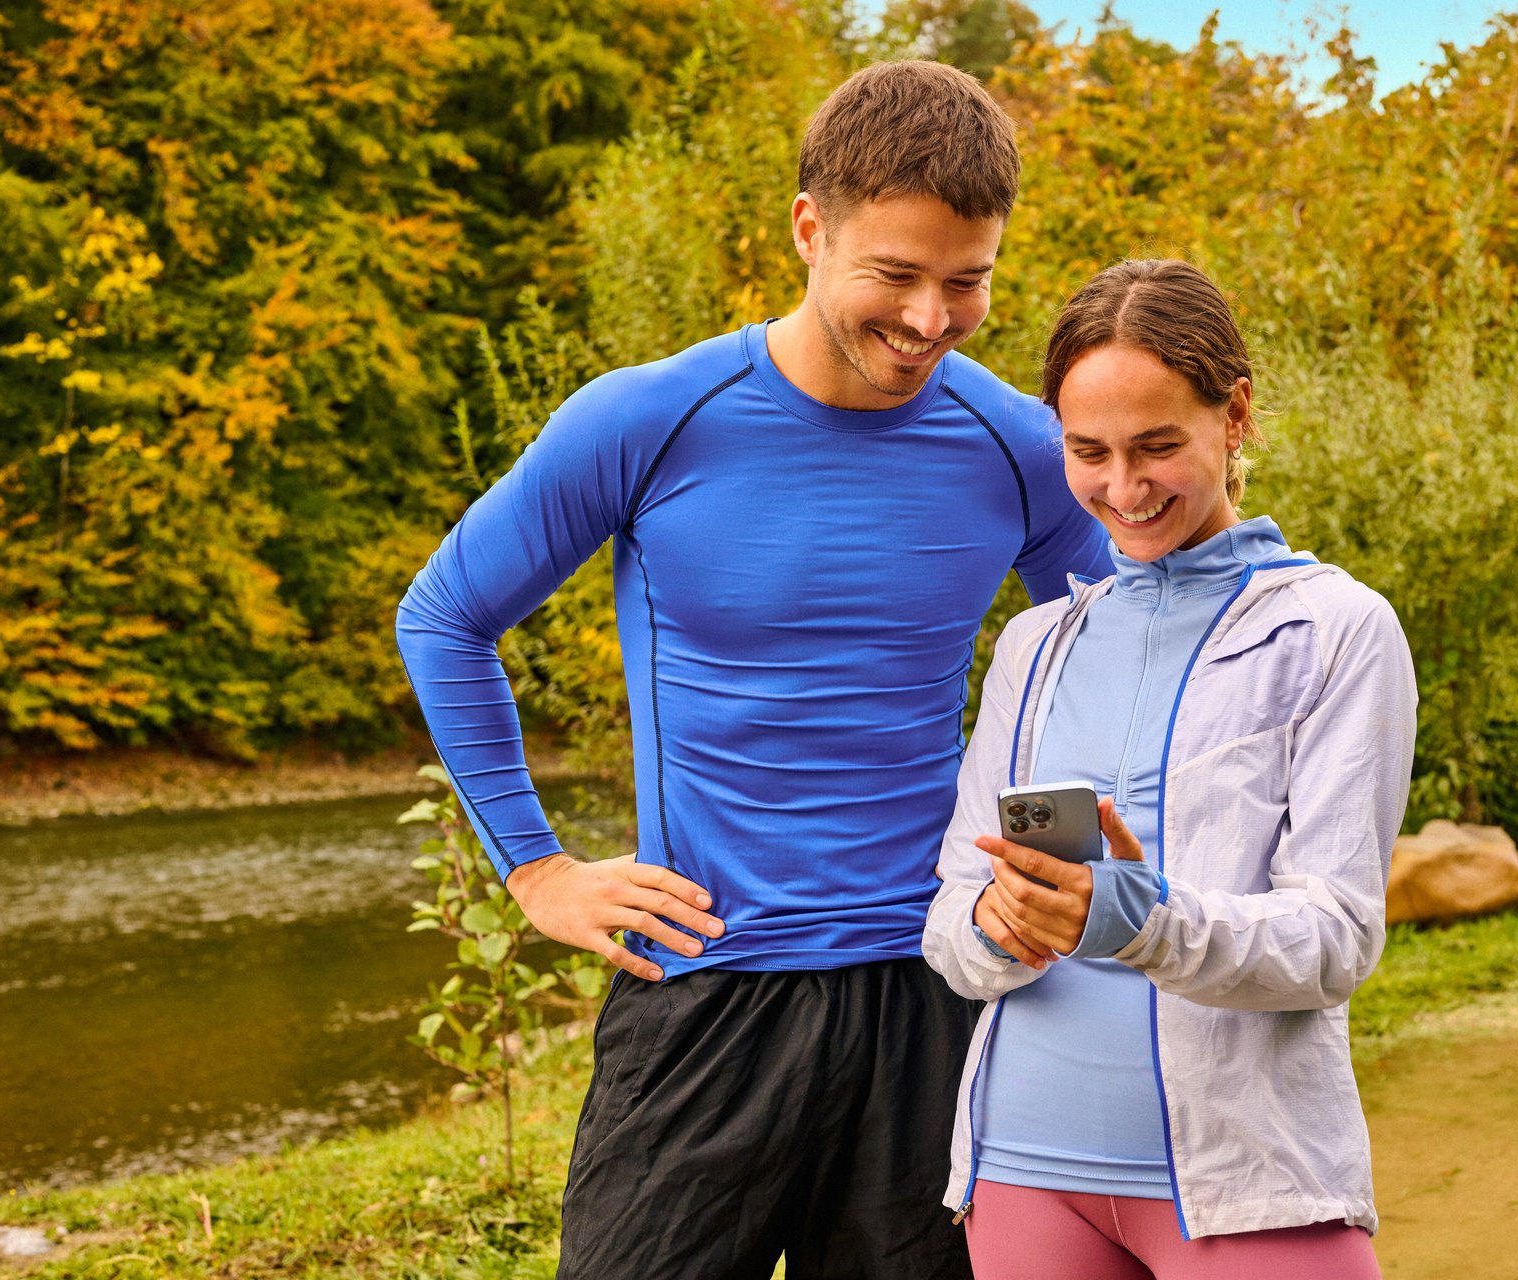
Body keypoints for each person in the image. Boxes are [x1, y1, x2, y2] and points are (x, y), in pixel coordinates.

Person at [394, 60, 1111, 1280]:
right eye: (895, 273)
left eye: (968, 280)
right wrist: (539, 870)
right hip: (706, 991)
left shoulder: (1021, 445)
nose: (931, 318)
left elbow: (1108, 658)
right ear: (808, 228)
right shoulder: (646, 417)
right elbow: (445, 615)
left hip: (934, 986)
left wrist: (1066, 869)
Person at [922, 259, 1416, 1280]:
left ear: (1234, 415)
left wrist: (1137, 918)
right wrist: (999, 926)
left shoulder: (1332, 629)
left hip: (1248, 1174)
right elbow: (952, 920)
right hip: (1023, 1170)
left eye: (1157, 446)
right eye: (1087, 451)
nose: (1123, 488)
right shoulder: (1035, 643)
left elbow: (1335, 936)